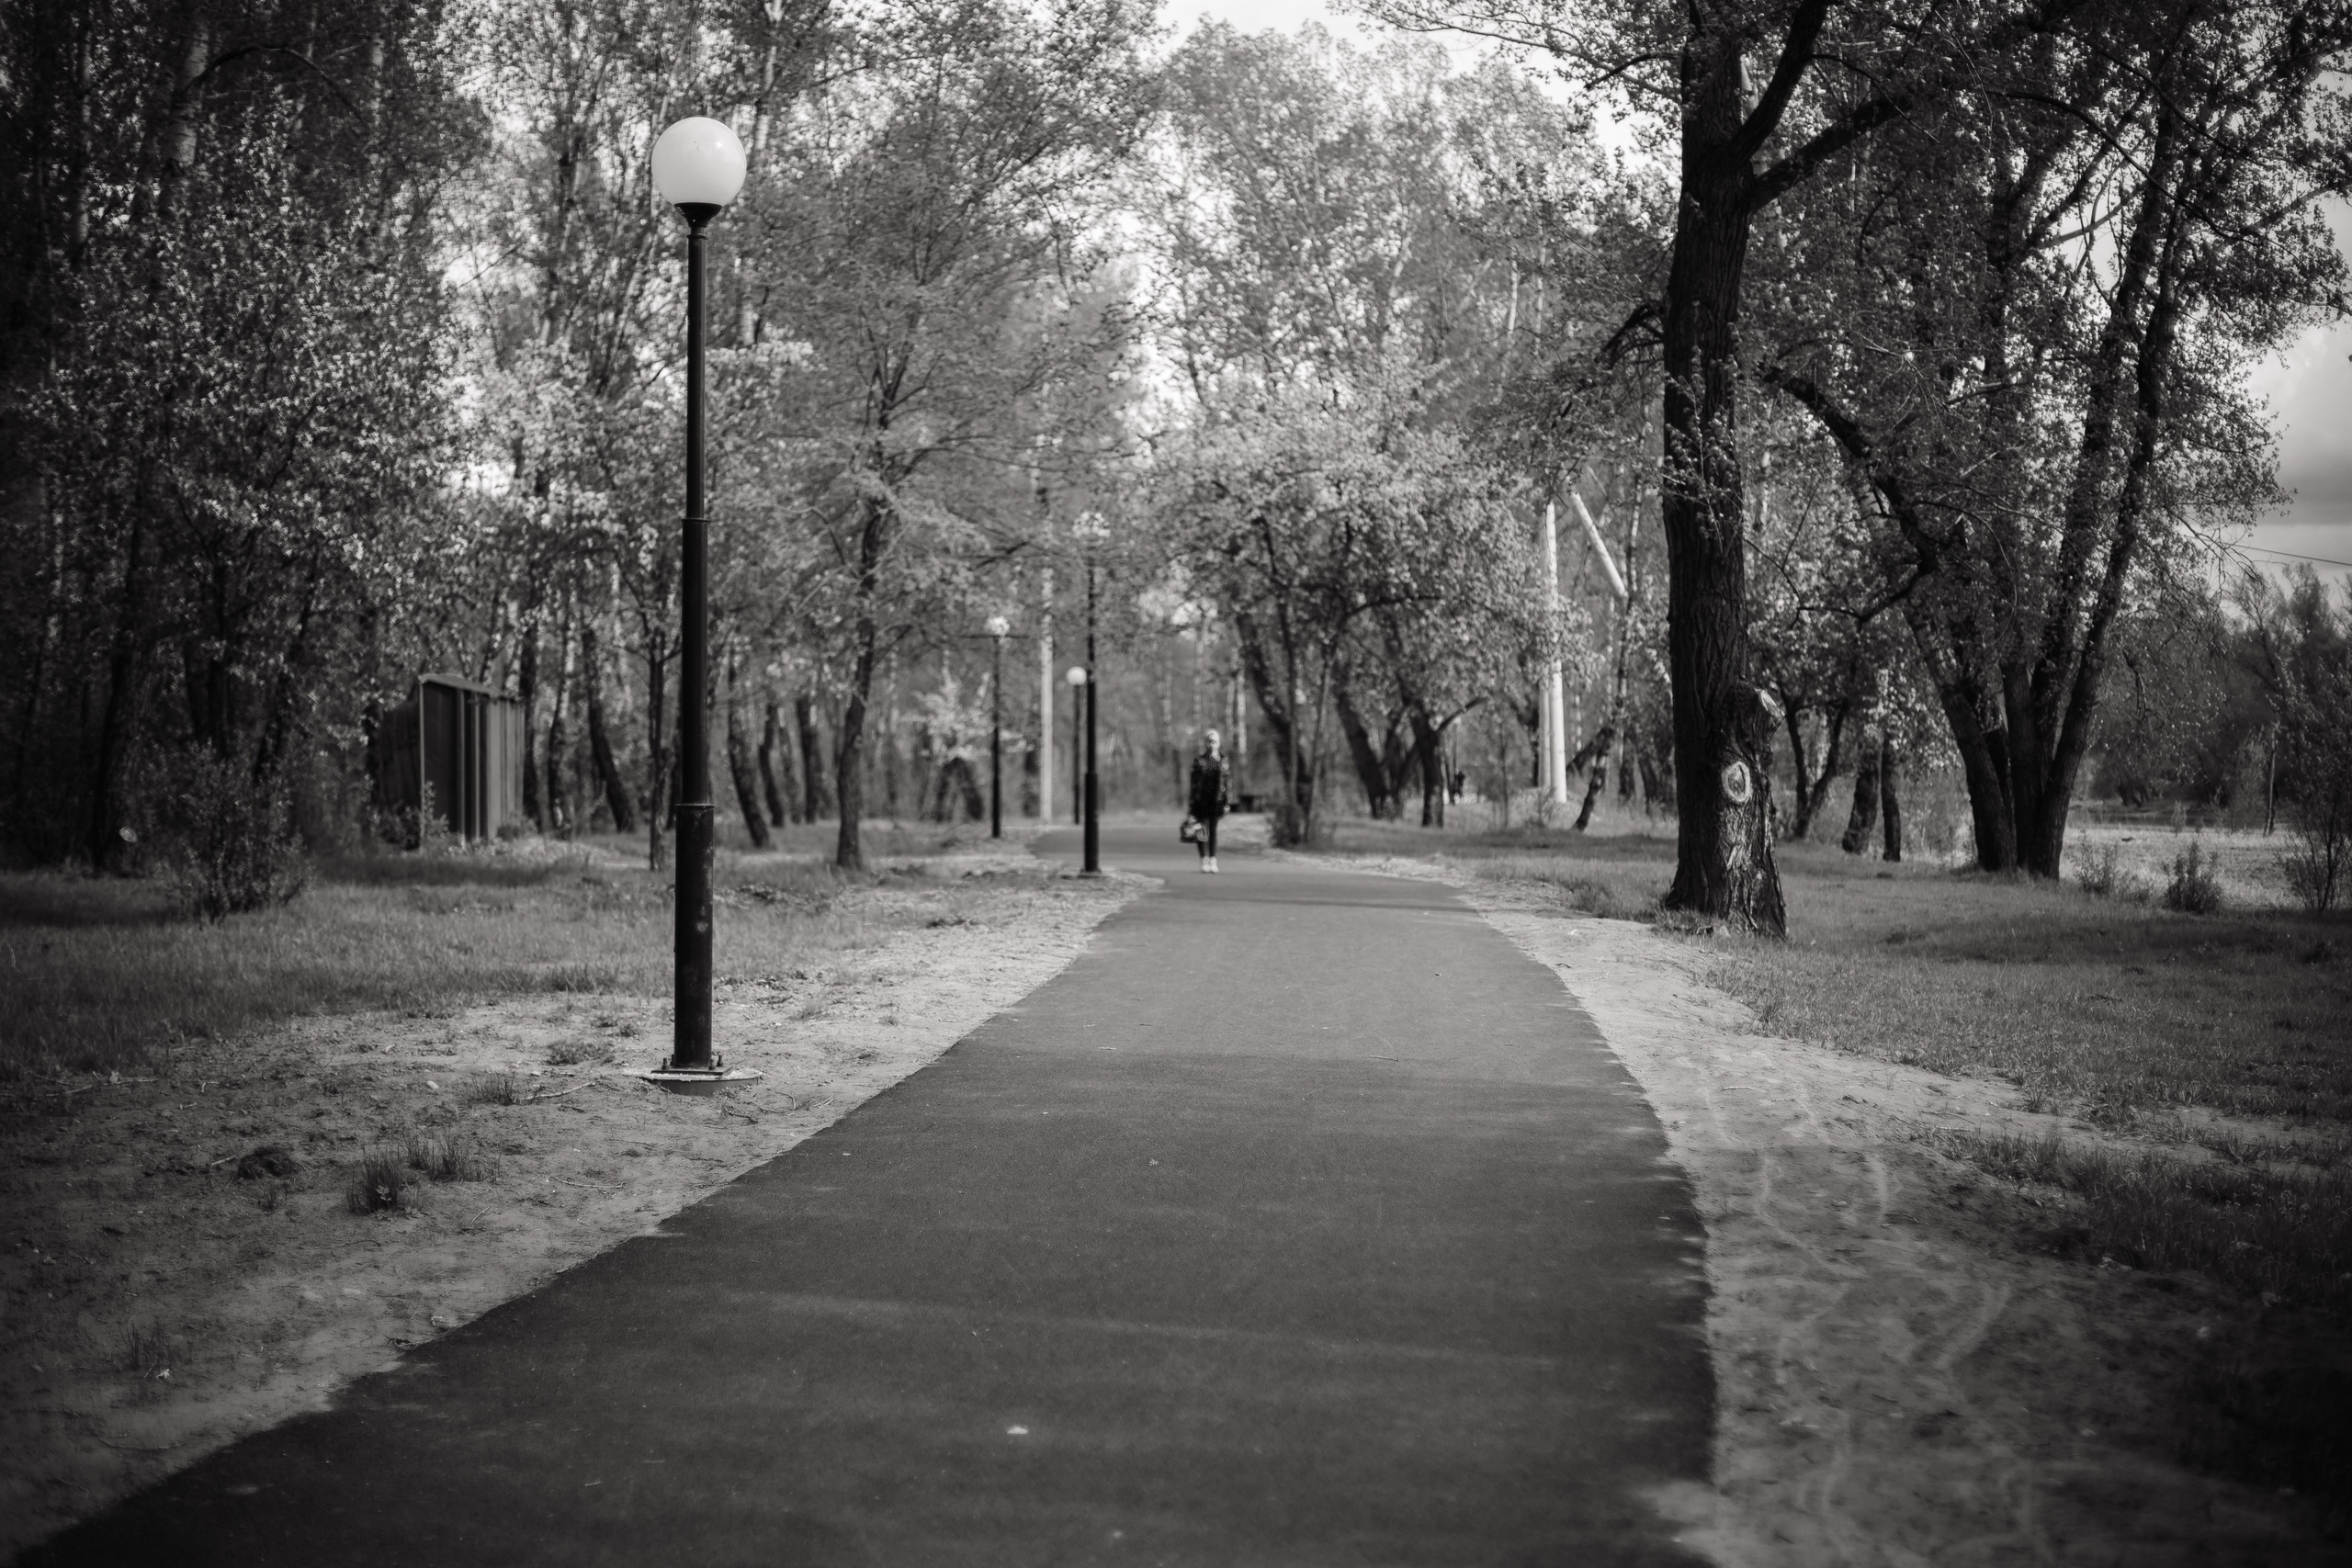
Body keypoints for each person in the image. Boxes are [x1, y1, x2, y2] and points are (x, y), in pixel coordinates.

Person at [1188, 728, 1231, 873]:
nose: (1212, 745)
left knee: (1213, 829)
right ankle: (1203, 859)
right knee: (1201, 829)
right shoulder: (1199, 761)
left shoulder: (1224, 761)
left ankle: (1213, 858)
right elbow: (1193, 784)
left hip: (1217, 800)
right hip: (1201, 800)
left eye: (1215, 742)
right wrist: (1192, 803)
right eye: (1209, 742)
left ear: (1219, 743)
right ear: (1206, 743)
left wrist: (1227, 802)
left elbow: (1228, 783)